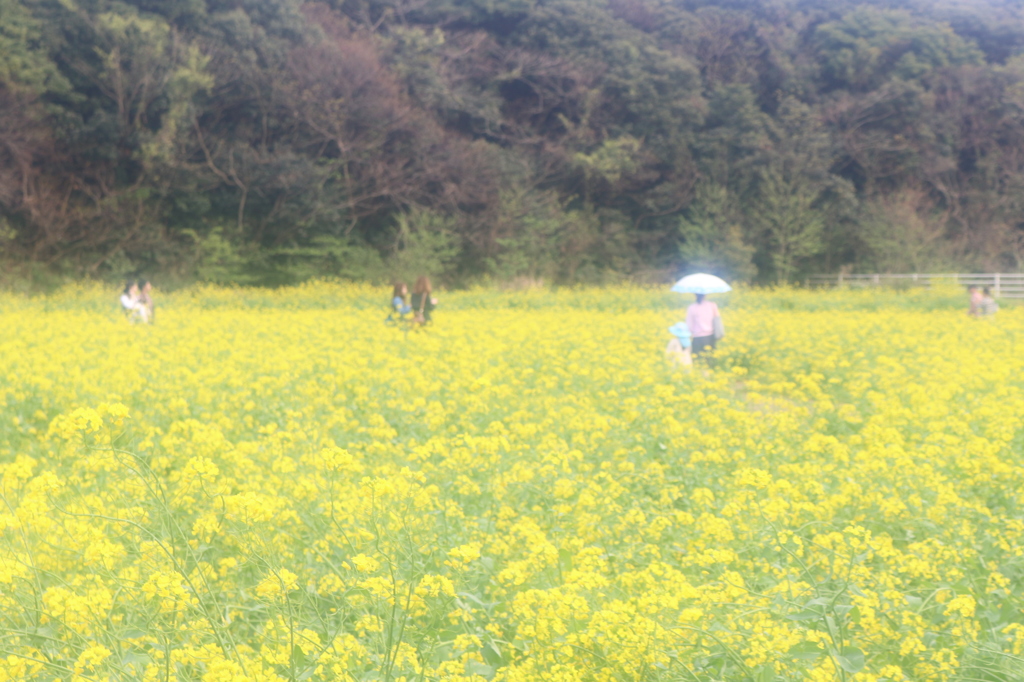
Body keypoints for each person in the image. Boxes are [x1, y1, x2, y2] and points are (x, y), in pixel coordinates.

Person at [686, 293, 721, 358]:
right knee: (710, 357)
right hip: (710, 337)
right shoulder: (712, 305)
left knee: (697, 358)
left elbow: (689, 325)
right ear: (705, 295)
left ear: (695, 295)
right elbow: (717, 320)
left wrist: (689, 335)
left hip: (697, 337)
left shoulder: (692, 307)